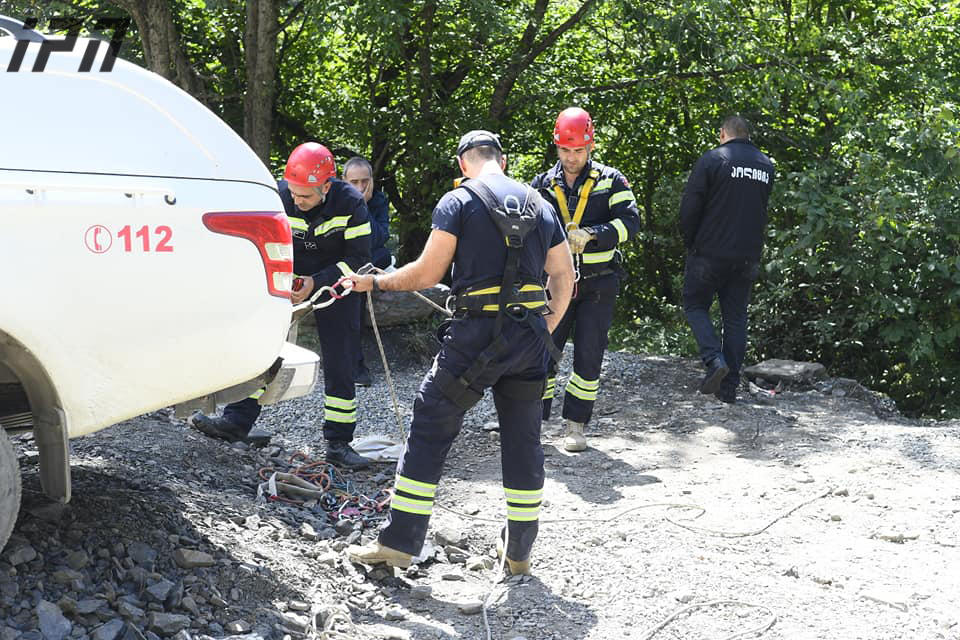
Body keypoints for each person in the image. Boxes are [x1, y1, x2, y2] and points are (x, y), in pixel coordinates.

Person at [345, 130, 575, 573]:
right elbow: (564, 275)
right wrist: (545, 327)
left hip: (476, 335)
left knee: (431, 422)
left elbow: (428, 273)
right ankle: (519, 552)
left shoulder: (460, 201)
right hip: (530, 337)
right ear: (502, 161)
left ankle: (400, 541)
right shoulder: (541, 204)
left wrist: (374, 282)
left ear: (463, 164)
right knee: (524, 440)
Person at [191, 142, 375, 470]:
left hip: (337, 284)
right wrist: (285, 280)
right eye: (294, 193)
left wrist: (317, 282)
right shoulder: (278, 197)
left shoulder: (351, 203)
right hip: (286, 278)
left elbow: (359, 260)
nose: (298, 201)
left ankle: (338, 444)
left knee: (341, 361)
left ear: (326, 187)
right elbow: (262, 243)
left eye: (305, 196)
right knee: (261, 345)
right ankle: (236, 421)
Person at [530, 107, 640, 452]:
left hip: (598, 282)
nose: (571, 157)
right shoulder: (542, 185)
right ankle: (531, 422)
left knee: (589, 355)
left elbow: (631, 223)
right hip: (554, 282)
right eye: (565, 150)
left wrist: (593, 234)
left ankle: (575, 425)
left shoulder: (611, 180)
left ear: (590, 146)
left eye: (578, 150)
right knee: (542, 349)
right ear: (556, 146)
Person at [679, 115, 774, 403]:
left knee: (695, 305)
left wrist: (690, 241)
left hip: (709, 252)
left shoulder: (713, 159)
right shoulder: (766, 165)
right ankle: (729, 387)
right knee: (735, 318)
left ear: (723, 134)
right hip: (747, 255)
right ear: (747, 135)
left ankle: (713, 360)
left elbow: (690, 206)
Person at [342, 157, 392, 387]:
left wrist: (361, 206)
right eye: (354, 183)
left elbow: (379, 238)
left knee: (379, 257)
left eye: (365, 181)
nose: (360, 187)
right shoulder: (334, 200)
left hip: (367, 260)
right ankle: (354, 364)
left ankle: (355, 365)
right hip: (343, 261)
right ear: (344, 181)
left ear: (372, 180)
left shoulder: (378, 200)